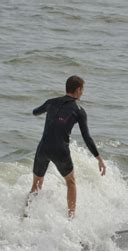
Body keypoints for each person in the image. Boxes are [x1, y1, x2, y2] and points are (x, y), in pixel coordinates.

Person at [28, 75, 106, 218]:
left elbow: (35, 112)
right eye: (83, 90)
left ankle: (26, 216)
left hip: (43, 148)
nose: (83, 93)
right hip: (60, 150)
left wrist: (46, 109)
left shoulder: (51, 102)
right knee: (70, 182)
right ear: (78, 90)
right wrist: (99, 158)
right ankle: (71, 218)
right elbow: (86, 137)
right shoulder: (79, 110)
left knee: (37, 184)